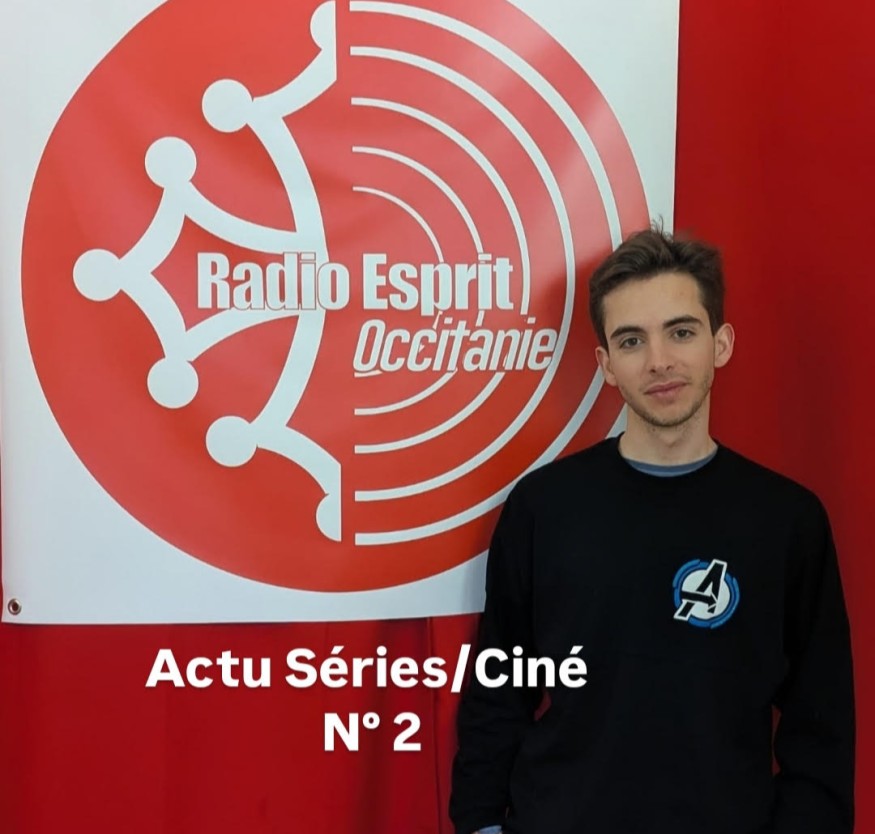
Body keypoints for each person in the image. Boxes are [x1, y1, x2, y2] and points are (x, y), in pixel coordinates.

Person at [449, 228, 855, 834]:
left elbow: (821, 724)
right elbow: (498, 691)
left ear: (721, 343)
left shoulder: (788, 520)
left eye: (681, 332)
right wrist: (481, 825)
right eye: (632, 340)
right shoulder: (544, 508)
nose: (659, 360)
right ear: (607, 366)